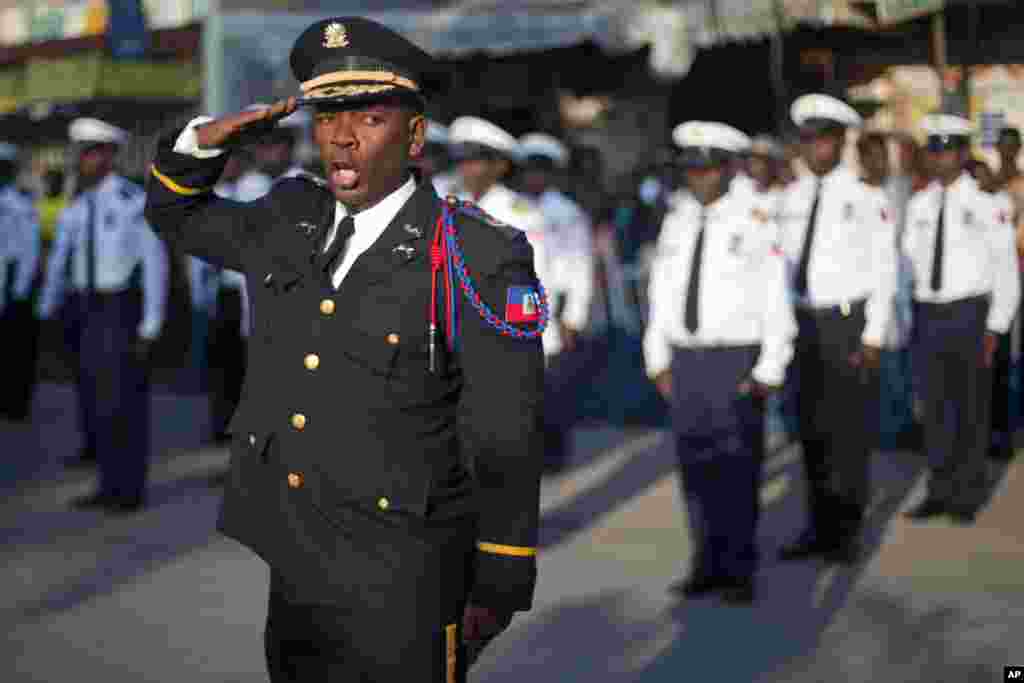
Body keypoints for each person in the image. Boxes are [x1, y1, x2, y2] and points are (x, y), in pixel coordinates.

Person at [144, 17, 546, 681]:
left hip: (409, 576)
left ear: (414, 135)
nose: (342, 136)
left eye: (369, 117)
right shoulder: (286, 219)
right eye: (327, 116)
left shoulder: (476, 253)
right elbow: (174, 214)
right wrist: (201, 140)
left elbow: (506, 426)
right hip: (296, 563)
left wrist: (500, 574)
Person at [644, 121, 796, 604]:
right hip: (685, 361)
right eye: (691, 167)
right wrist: (657, 358)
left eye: (708, 167)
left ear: (730, 167)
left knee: (737, 468)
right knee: (695, 468)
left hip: (734, 359)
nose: (698, 177)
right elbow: (661, 294)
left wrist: (771, 366)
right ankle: (705, 563)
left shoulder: (754, 219)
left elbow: (776, 298)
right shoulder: (679, 218)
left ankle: (737, 569)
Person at [776, 94, 896, 565]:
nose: (812, 147)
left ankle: (846, 531)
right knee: (811, 432)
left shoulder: (866, 197)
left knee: (846, 432)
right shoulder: (790, 199)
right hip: (802, 323)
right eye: (805, 138)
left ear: (841, 141)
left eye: (821, 138)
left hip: (846, 323)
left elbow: (885, 270)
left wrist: (873, 336)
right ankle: (817, 525)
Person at [37, 118, 169, 510]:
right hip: (85, 309)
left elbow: (154, 263)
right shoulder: (77, 208)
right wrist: (47, 311)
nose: (85, 161)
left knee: (124, 402)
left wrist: (151, 323)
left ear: (109, 156)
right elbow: (61, 262)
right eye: (82, 154)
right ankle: (109, 483)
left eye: (93, 153)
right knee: (96, 401)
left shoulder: (131, 201)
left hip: (120, 308)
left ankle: (128, 489)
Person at [901, 114, 1020, 523]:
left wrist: (996, 326)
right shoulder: (919, 204)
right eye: (933, 149)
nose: (940, 158)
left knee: (970, 406)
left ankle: (967, 493)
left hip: (970, 313)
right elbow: (909, 265)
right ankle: (938, 488)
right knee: (934, 408)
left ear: (963, 152)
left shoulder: (990, 203)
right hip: (928, 313)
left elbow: (1006, 269)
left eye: (948, 149)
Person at [519, 131, 597, 470]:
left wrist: (573, 318)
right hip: (515, 302)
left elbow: (580, 267)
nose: (534, 176)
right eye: (529, 169)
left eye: (541, 169)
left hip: (553, 304)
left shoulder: (567, 213)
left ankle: (554, 452)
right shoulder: (510, 206)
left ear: (552, 173)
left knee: (553, 386)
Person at [0, 142, 42, 421]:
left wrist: (20, 291)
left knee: (16, 351)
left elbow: (28, 252)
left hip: (15, 287)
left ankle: (16, 404)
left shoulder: (19, 206)